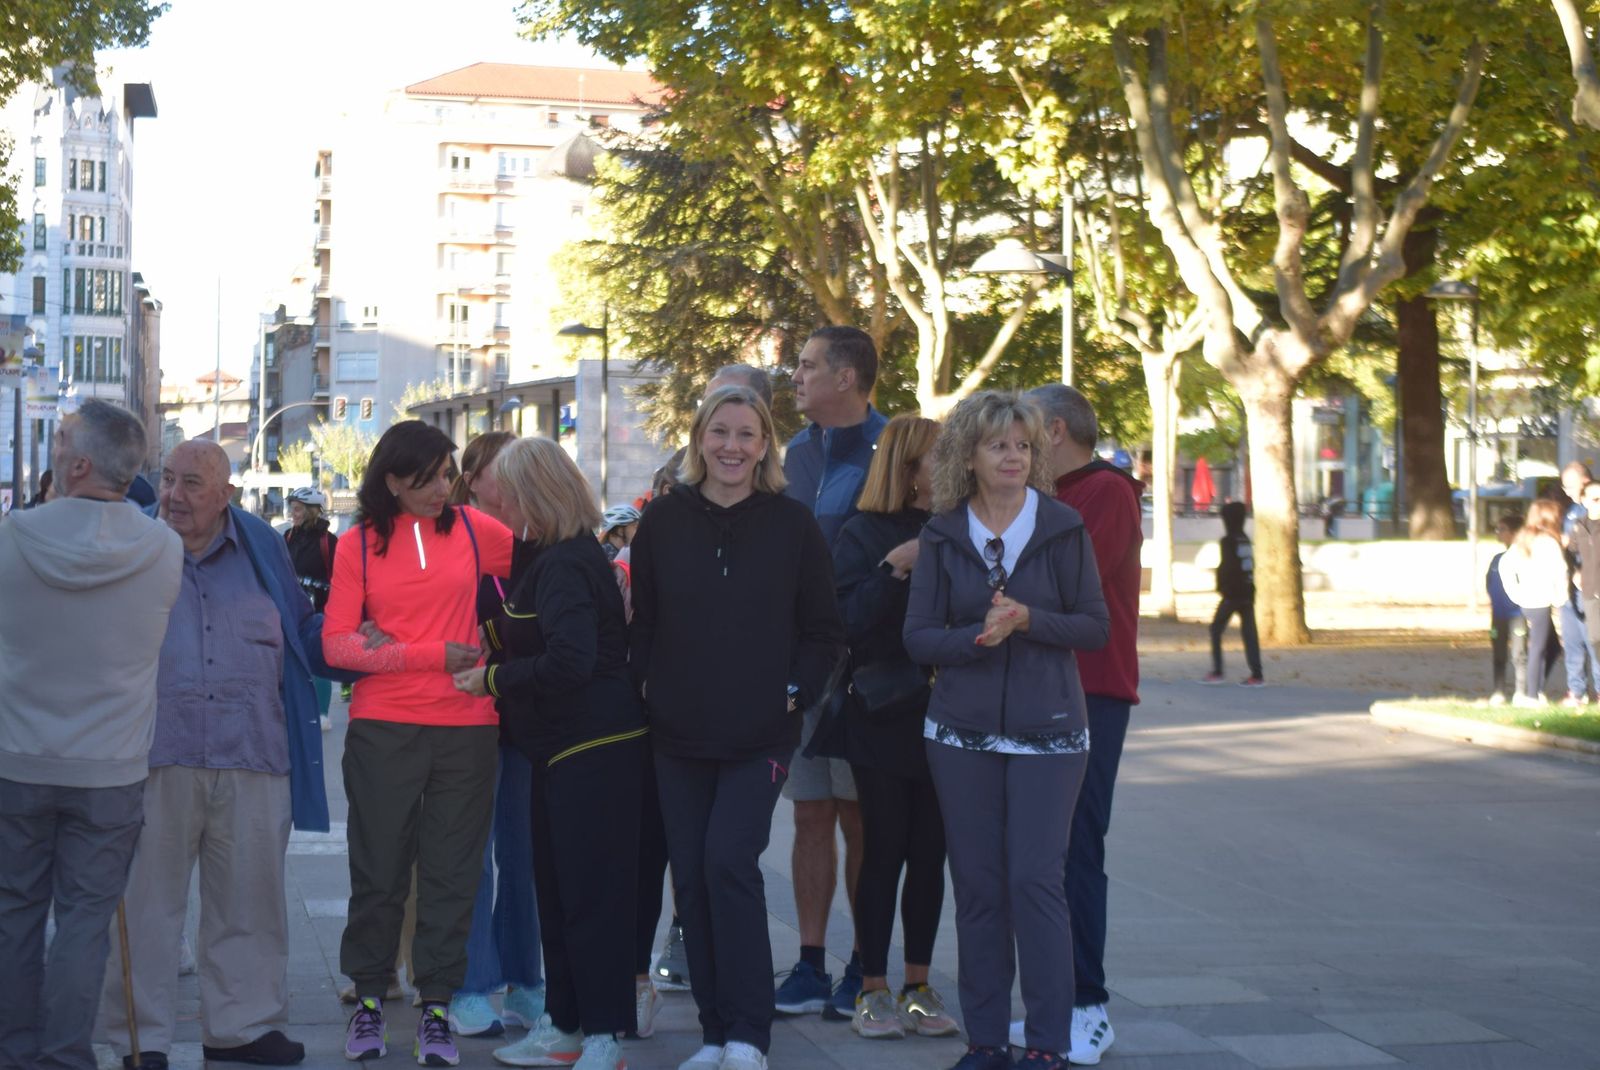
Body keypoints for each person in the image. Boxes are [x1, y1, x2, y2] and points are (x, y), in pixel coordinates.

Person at [101, 438, 357, 1069]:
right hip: (155, 752)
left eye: (192, 484)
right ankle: (141, 1038)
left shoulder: (263, 545)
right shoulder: (137, 543)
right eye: (168, 479)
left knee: (250, 902)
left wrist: (355, 640)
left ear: (226, 495)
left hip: (252, 749)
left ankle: (243, 1029)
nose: (173, 495)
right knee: (146, 905)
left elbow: (301, 627)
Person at [630, 385, 845, 1070]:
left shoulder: (792, 524)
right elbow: (645, 624)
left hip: (760, 735)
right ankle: (716, 1033)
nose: (731, 445)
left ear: (764, 446)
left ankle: (750, 1034)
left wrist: (795, 692)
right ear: (699, 439)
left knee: (728, 862)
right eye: (719, 431)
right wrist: (646, 688)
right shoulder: (663, 520)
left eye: (746, 434)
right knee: (692, 880)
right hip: (677, 734)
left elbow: (824, 631)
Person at [903, 390, 1108, 1070]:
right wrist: (977, 637)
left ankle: (1047, 1044)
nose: (1013, 457)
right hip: (960, 735)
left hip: (1051, 734)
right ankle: (986, 1041)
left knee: (1035, 882)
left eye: (1023, 445)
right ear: (970, 456)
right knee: (979, 887)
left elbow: (1094, 626)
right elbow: (918, 637)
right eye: (998, 445)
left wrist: (1028, 621)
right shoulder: (942, 533)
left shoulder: (1064, 526)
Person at [322, 421, 515, 1066]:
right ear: (392, 481)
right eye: (426, 478)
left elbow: (548, 559)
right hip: (383, 728)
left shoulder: (475, 530)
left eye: (447, 474)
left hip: (469, 727)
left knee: (452, 876)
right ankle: (370, 1001)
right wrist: (425, 654)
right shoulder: (357, 544)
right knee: (377, 871)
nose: (442, 488)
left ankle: (437, 1009)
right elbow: (337, 645)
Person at [451, 436, 644, 1070]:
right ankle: (565, 1027)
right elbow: (532, 634)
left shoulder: (565, 562)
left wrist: (493, 678)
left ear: (534, 492)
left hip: (595, 750)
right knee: (558, 897)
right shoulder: (551, 556)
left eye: (505, 490)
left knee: (591, 899)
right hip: (560, 749)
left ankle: (604, 1036)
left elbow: (570, 661)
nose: (496, 501)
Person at [0, 401, 182, 1070]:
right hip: (110, 768)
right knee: (84, 920)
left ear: (78, 465)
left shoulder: (13, 536)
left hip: (18, 758)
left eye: (60, 439)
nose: (52, 446)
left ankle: (14, 1053)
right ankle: (65, 1056)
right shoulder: (163, 547)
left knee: (15, 913)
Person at [825, 415, 958, 1041]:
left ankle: (918, 986)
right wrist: (894, 567)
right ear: (908, 469)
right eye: (940, 456)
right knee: (883, 849)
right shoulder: (864, 532)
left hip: (948, 714)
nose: (952, 465)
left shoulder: (960, 529)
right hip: (882, 714)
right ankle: (871, 987)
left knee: (931, 853)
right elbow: (844, 623)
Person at [1022, 384, 1144, 1064]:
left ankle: (1087, 1008)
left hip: (1091, 691)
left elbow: (1069, 586)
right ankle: (1053, 1007)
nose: (1015, 442)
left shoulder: (1107, 491)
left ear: (1056, 430)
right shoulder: (1047, 496)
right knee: (1043, 853)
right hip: (1042, 689)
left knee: (1076, 847)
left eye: (1026, 428)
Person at [775, 326, 887, 1021]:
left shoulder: (892, 448)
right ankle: (810, 963)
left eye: (808, 365)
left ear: (846, 377)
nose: (796, 376)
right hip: (802, 665)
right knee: (810, 813)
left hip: (865, 671)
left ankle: (864, 967)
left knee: (858, 816)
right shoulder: (796, 452)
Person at [439, 430, 547, 1039]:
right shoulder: (454, 539)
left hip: (526, 717)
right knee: (472, 858)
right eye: (500, 468)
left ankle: (525, 981)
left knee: (525, 855)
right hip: (466, 715)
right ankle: (471, 985)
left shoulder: (539, 541)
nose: (510, 479)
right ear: (473, 479)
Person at [1499, 499, 1571, 707]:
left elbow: (1506, 565)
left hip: (1528, 598)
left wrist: (1515, 592)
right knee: (1538, 647)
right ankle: (1531, 694)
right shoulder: (1548, 542)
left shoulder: (1523, 538)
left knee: (1551, 646)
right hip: (1540, 599)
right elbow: (1559, 570)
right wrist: (1560, 596)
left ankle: (1534, 688)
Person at [285, 486, 339, 732]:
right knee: (293, 661)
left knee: (318, 659)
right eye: (292, 509)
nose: (293, 514)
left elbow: (341, 577)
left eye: (297, 509)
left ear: (311, 511)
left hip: (321, 610)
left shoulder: (329, 541)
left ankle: (321, 713)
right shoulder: (288, 537)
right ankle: (296, 710)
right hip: (293, 610)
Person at [1203, 501, 1264, 686]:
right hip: (1247, 591)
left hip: (1233, 594)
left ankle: (1218, 671)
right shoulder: (1245, 539)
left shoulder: (1227, 541)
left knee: (1216, 629)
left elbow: (1227, 566)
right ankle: (1257, 674)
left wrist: (1222, 586)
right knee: (1249, 634)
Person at [1558, 461, 1598, 704]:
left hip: (1591, 586)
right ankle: (1576, 690)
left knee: (1595, 640)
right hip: (1570, 586)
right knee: (1572, 640)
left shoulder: (1593, 512)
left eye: (1570, 486)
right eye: (1564, 487)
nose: (1567, 491)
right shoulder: (1572, 512)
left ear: (1585, 482)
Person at [1487, 513, 1529, 705]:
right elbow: (1489, 582)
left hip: (1517, 614)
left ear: (1514, 533)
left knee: (1519, 653)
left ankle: (1521, 691)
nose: (1498, 532)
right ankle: (1499, 691)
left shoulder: (1522, 558)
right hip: (1498, 615)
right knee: (1498, 652)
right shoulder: (1497, 559)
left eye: (1502, 529)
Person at [1568, 483, 1600, 706]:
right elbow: (1570, 553)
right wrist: (1575, 571)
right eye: (1596, 499)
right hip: (1589, 591)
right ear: (1585, 501)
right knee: (1595, 640)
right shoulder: (1579, 526)